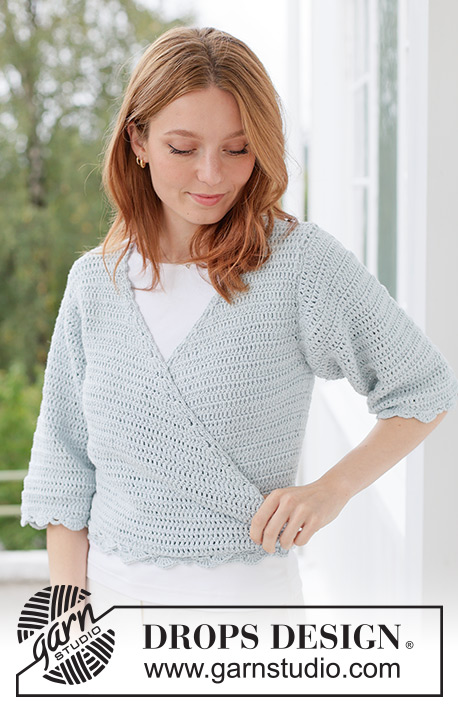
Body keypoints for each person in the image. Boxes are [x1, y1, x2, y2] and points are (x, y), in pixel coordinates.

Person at [21, 27, 458, 623]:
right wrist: (69, 620)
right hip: (112, 609)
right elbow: (65, 462)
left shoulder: (300, 266)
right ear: (138, 140)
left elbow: (424, 387)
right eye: (182, 148)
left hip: (249, 614)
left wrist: (331, 490)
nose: (211, 175)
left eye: (237, 148)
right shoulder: (95, 284)